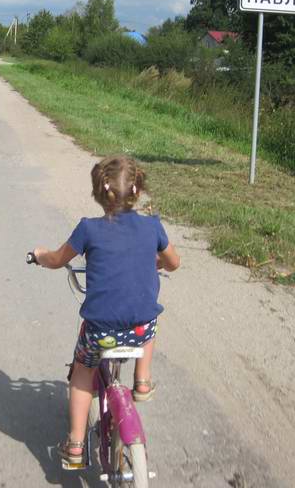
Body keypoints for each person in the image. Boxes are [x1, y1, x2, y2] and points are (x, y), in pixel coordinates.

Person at [30, 155, 180, 467]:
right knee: (149, 317)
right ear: (138, 191)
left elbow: (58, 260)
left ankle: (75, 443)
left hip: (100, 332)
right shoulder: (153, 226)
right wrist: (157, 261)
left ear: (101, 191)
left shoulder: (88, 229)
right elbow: (173, 263)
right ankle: (141, 380)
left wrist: (41, 255)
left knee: (83, 371)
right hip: (140, 330)